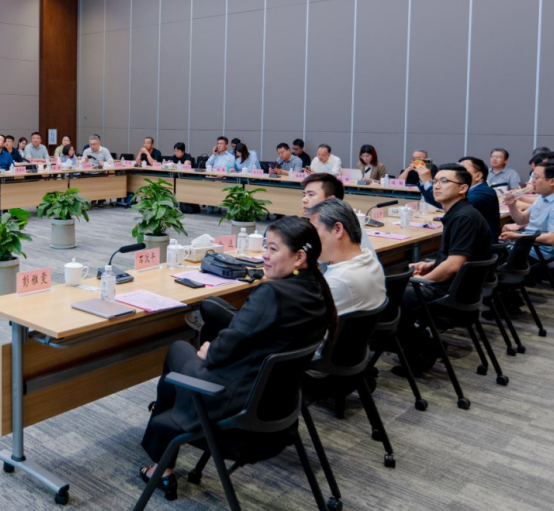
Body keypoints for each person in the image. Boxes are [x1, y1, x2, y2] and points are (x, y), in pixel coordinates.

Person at [138, 216, 335, 495]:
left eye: (273, 249)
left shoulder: (272, 293)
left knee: (179, 350)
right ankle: (165, 429)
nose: (264, 256)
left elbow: (221, 352)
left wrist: (210, 349)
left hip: (238, 413)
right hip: (278, 410)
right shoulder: (318, 291)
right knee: (190, 351)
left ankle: (163, 459)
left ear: (299, 257)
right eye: (266, 247)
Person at [396, 164, 492, 374]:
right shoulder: (460, 213)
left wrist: (424, 280)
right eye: (436, 181)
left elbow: (454, 265)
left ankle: (421, 349)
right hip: (458, 289)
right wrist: (432, 264)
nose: (437, 186)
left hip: (449, 294)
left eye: (445, 181)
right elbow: (457, 258)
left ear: (463, 188)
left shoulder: (463, 217)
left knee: (391, 294)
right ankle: (417, 344)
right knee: (397, 287)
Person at [304, 198, 386, 314]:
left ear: (338, 229)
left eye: (314, 231)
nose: (310, 239)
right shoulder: (370, 260)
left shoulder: (338, 281)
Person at [501, 161, 554, 263]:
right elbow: (522, 220)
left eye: (536, 177)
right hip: (527, 246)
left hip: (538, 253)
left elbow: (552, 239)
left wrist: (517, 236)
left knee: (488, 253)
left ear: (552, 181)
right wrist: (512, 205)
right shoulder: (544, 197)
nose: (532, 182)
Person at [416, 157, 500, 237]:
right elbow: (435, 200)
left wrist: (427, 181)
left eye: (462, 169)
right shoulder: (471, 190)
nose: (457, 172)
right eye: (435, 181)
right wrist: (424, 181)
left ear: (478, 176)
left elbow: (454, 204)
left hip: (478, 243)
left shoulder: (485, 192)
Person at [301, 173, 376, 256]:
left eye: (311, 195)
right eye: (304, 195)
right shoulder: (316, 223)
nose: (304, 199)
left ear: (331, 200)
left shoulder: (338, 225)